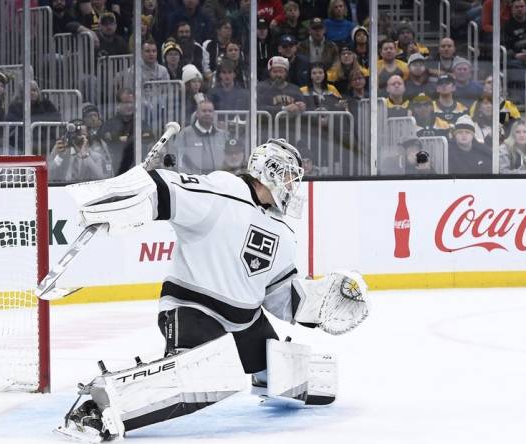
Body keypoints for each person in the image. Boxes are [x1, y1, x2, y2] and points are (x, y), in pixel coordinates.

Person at [56, 138, 369, 442]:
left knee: (293, 374)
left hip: (246, 324)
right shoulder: (224, 190)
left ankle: (263, 376)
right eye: (288, 175)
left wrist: (322, 304)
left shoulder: (282, 231)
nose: (292, 185)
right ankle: (97, 408)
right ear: (270, 170)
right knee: (204, 378)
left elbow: (280, 294)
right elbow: (170, 189)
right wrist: (134, 196)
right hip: (194, 312)